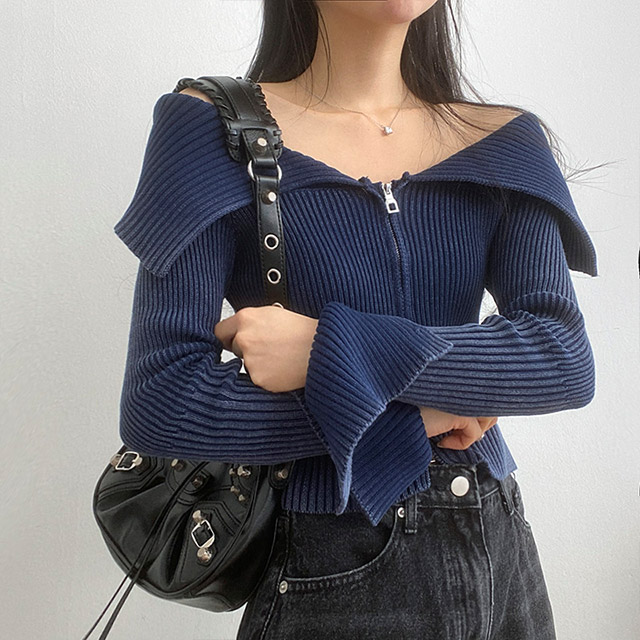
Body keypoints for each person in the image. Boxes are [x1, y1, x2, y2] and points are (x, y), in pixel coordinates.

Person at [113, 1, 599, 638]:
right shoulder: (211, 129)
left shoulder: (505, 140)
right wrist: (425, 413)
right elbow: (162, 401)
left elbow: (561, 359)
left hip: (496, 550)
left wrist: (326, 348)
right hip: (330, 553)